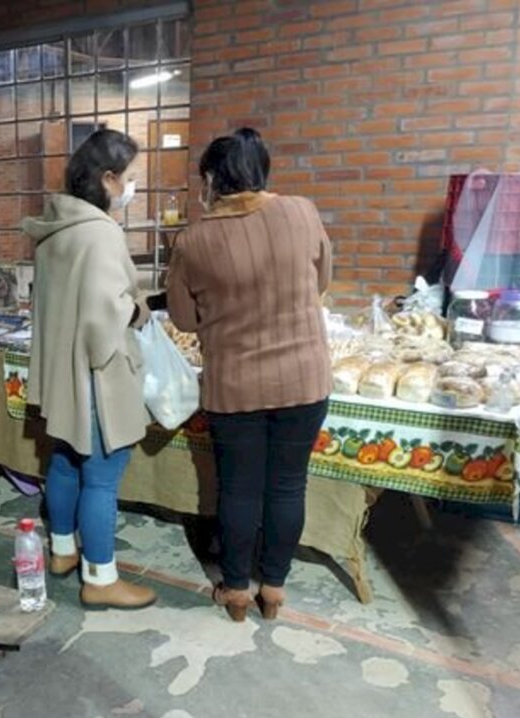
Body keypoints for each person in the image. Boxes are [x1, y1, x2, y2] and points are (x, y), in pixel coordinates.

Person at [167, 129, 331, 622]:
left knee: (237, 489)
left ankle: (236, 590)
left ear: (212, 180)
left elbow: (183, 320)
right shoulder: (302, 212)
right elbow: (321, 280)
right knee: (287, 486)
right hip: (304, 381)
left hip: (234, 385)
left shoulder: (193, 240)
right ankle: (274, 589)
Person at [22, 129, 157, 611]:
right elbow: (105, 321)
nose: (133, 188)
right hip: (96, 379)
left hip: (60, 374)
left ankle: (62, 551)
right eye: (131, 178)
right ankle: (100, 577)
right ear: (107, 178)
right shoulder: (100, 231)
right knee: (101, 477)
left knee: (63, 462)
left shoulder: (55, 226)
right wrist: (138, 311)